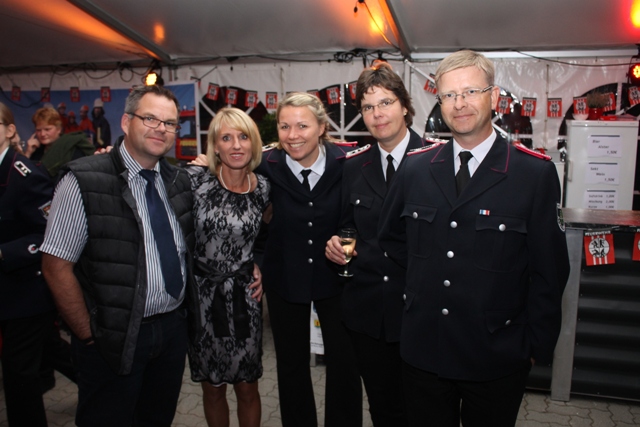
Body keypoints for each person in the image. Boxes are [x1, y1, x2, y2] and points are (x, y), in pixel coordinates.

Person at [378, 50, 570, 427]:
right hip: (425, 351)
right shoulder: (415, 168)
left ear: (494, 97)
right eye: (449, 95)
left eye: (470, 92)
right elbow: (392, 240)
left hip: (496, 354)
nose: (459, 103)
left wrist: (535, 346)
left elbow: (549, 270)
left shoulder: (533, 175)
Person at [41, 85, 197, 426]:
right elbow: (55, 266)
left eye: (170, 123)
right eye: (150, 118)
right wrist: (88, 335)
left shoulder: (178, 181)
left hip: (171, 332)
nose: (161, 129)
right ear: (126, 122)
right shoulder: (84, 179)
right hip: (112, 337)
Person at [325, 63, 429, 426]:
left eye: (385, 102)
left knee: (425, 410)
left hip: (421, 313)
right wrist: (335, 244)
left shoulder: (434, 160)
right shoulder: (353, 166)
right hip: (369, 314)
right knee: (384, 409)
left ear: (405, 106)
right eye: (368, 107)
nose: (377, 114)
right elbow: (346, 225)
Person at [257, 92, 362, 427]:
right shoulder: (264, 163)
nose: (293, 135)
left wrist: (346, 243)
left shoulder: (348, 162)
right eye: (285, 126)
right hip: (284, 276)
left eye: (302, 126)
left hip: (337, 278)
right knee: (291, 364)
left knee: (345, 362)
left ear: (321, 127)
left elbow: (361, 216)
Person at [186, 108, 269, 427]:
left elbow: (270, 235)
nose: (236, 145)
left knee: (248, 388)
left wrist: (260, 263)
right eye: (226, 138)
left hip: (245, 298)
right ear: (215, 146)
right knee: (213, 388)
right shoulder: (195, 181)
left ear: (253, 143)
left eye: (243, 136)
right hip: (203, 299)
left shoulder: (263, 188)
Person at [0, 102, 55, 426]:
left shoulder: (26, 174)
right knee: (46, 353)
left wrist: (5, 252)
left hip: (25, 291)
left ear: (10, 130)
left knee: (19, 374)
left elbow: (49, 232)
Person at [25, 107, 94, 178]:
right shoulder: (36, 150)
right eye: (38, 130)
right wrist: (28, 153)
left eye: (47, 129)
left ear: (59, 129)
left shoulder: (72, 148)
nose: (42, 134)